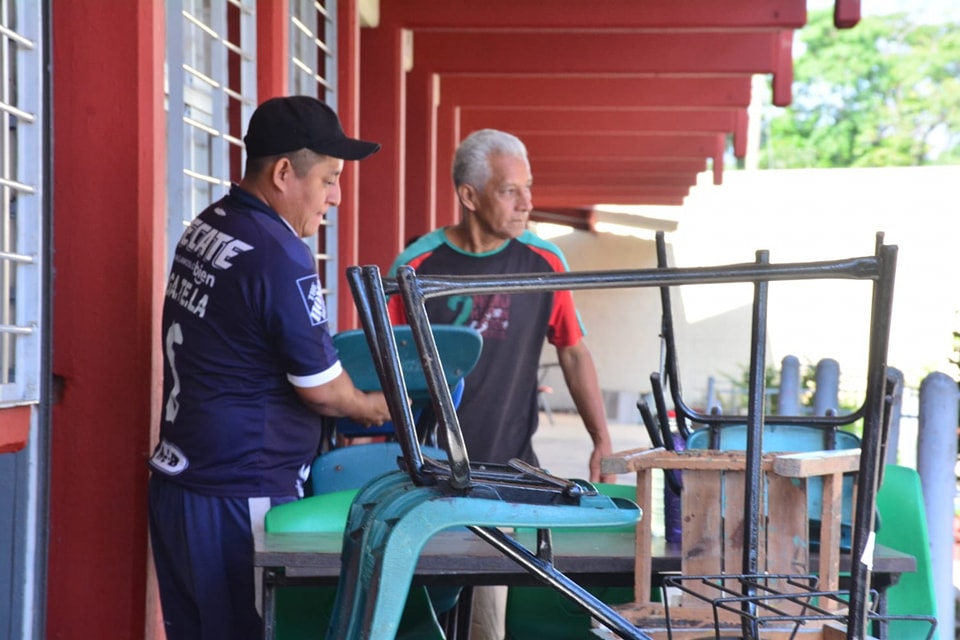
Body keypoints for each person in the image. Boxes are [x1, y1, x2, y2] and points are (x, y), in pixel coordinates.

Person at [147, 95, 391, 640]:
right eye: (329, 179)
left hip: (180, 485)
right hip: (242, 492)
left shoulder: (209, 226)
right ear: (284, 172)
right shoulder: (279, 255)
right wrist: (375, 408)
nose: (338, 197)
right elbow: (324, 390)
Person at [387, 128, 616, 640]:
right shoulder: (416, 268)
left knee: (485, 627)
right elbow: (390, 370)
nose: (527, 204)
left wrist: (601, 439)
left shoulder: (544, 263)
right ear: (469, 196)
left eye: (528, 189)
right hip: (428, 475)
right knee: (418, 619)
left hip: (508, 474)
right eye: (511, 190)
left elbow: (573, 350)